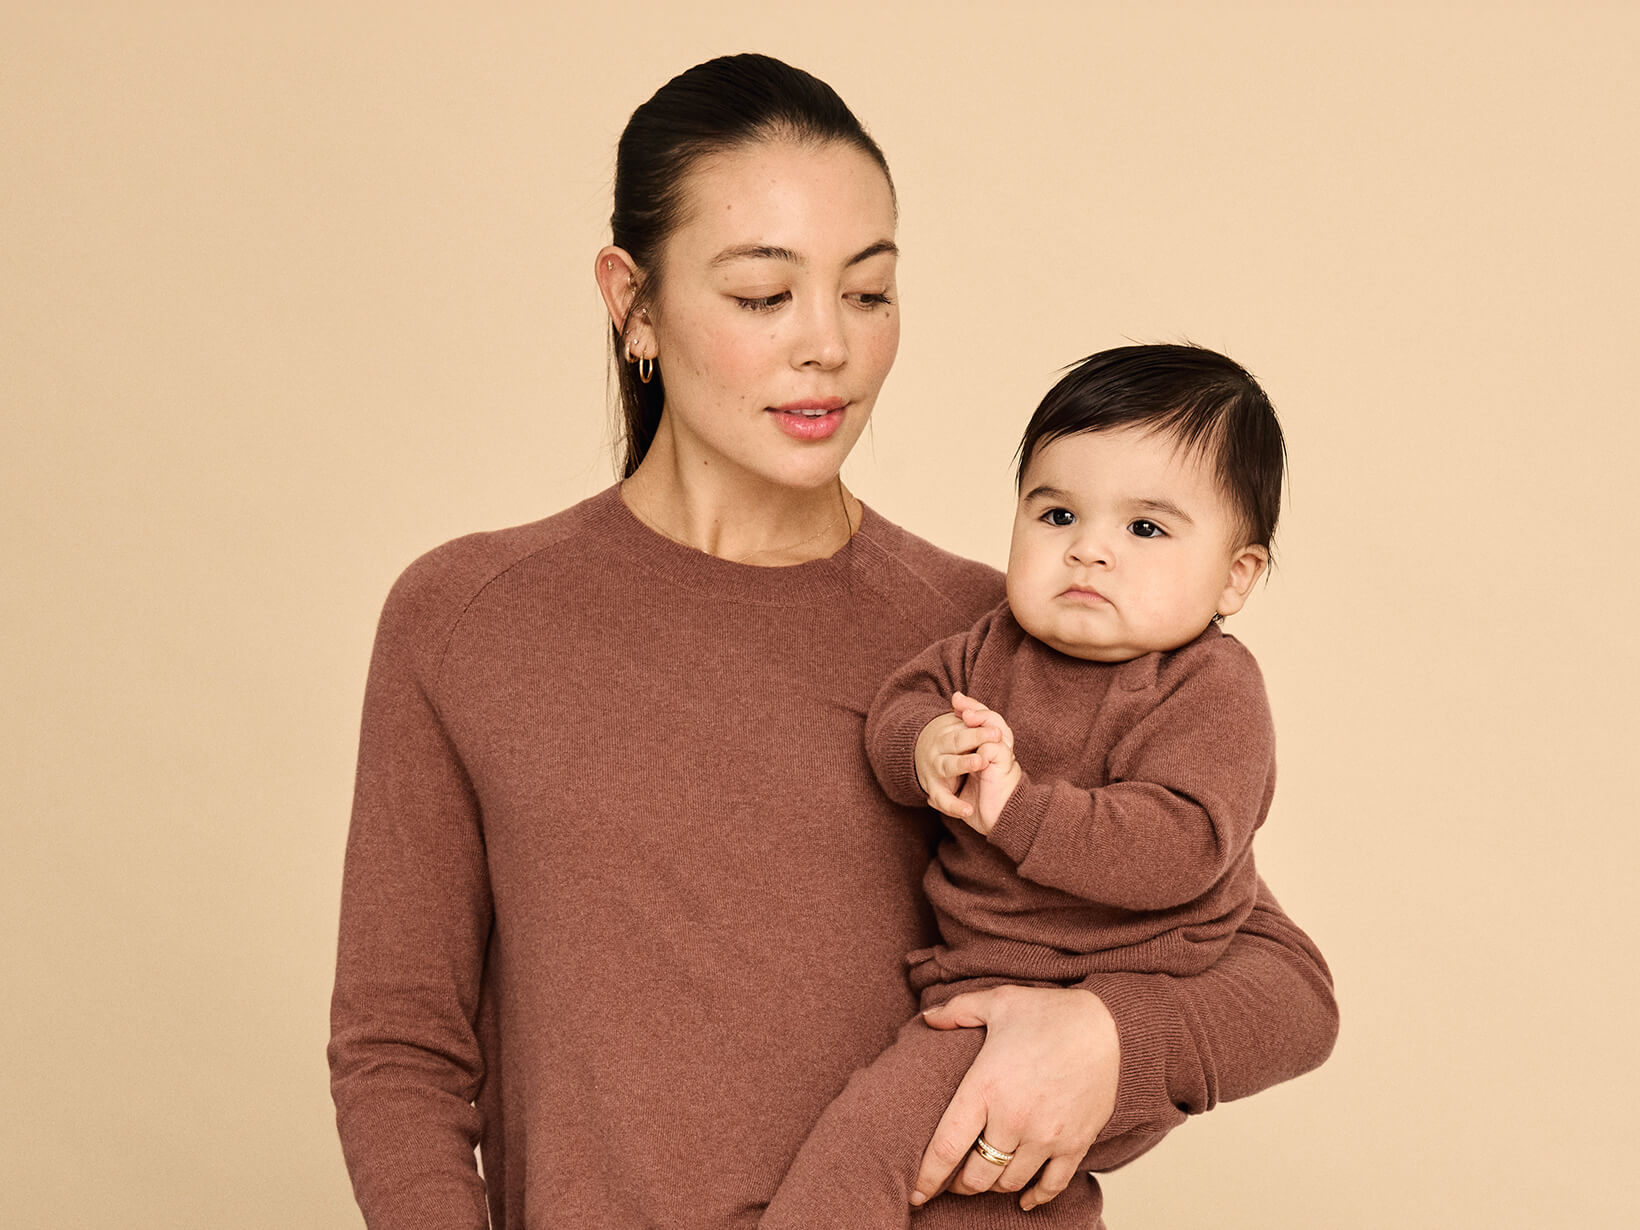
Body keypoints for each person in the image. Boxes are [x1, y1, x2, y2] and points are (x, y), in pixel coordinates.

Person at [327, 54, 1337, 1230]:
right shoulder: (471, 620)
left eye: (866, 293)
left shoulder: (1000, 641)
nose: (828, 346)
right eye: (765, 295)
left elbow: (1282, 986)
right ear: (633, 302)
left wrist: (1103, 1038)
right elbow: (399, 1052)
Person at [759, 344, 1291, 1226]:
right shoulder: (993, 643)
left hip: (1099, 993)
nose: (1088, 550)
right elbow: (902, 707)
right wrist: (928, 747)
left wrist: (1017, 810)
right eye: (1056, 514)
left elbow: (1183, 845)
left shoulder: (1210, 689)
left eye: (1145, 530)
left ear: (1236, 575)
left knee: (871, 1139)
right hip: (984, 984)